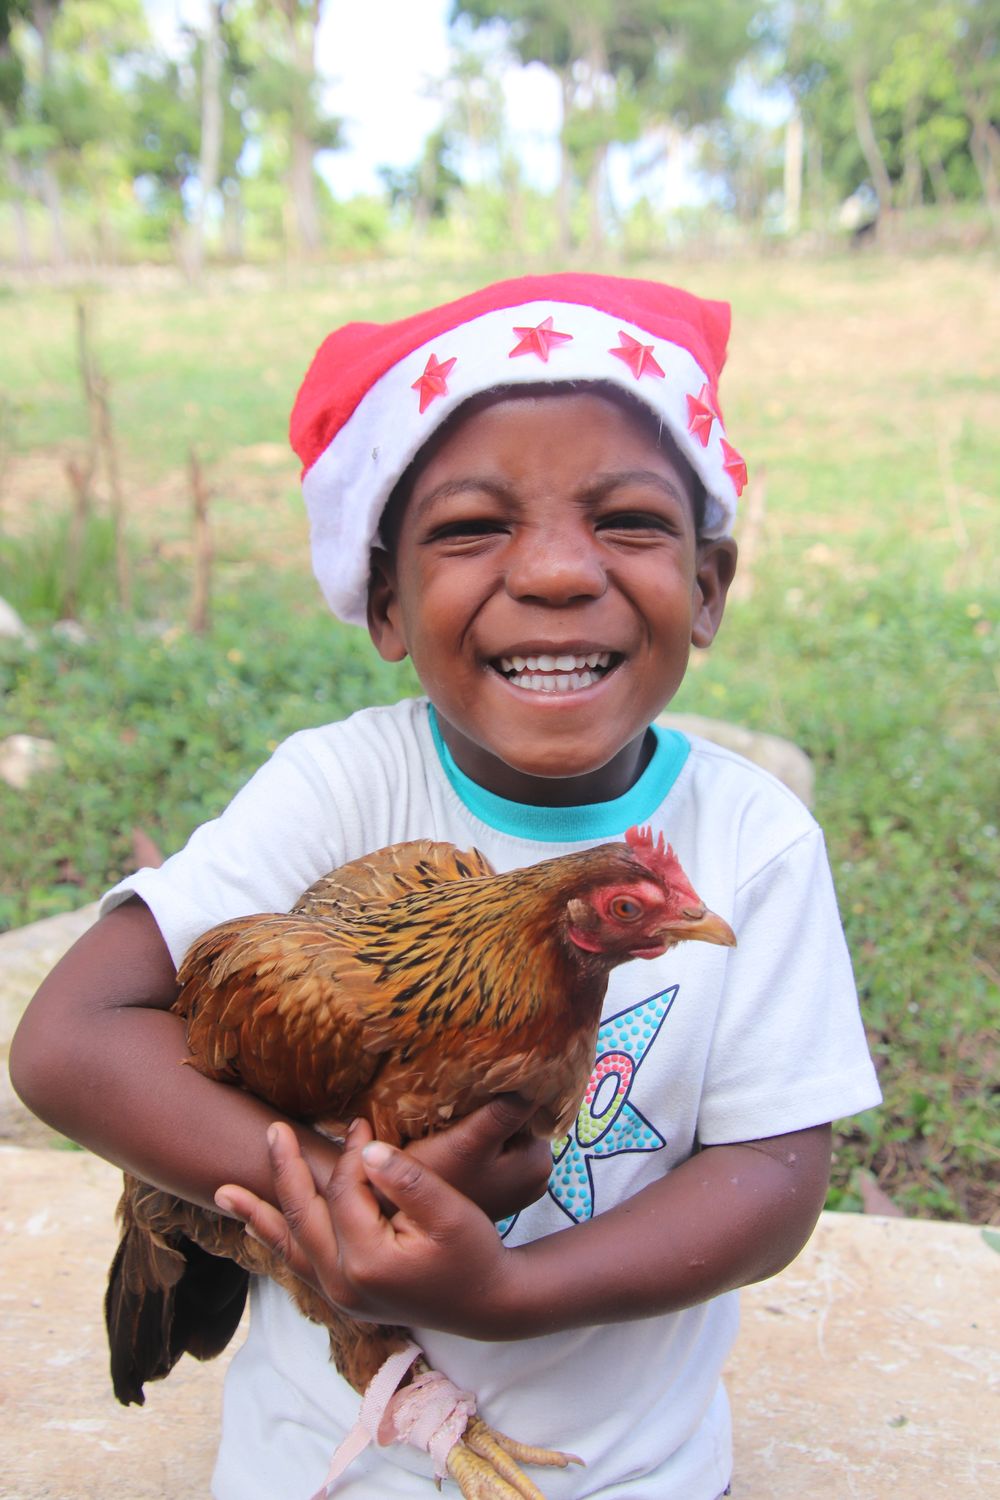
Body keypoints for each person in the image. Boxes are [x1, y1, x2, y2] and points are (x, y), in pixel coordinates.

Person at [10, 272, 882, 1500]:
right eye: (473, 528)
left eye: (627, 520)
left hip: (629, 1474)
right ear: (382, 600)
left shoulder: (758, 839)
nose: (558, 573)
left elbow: (771, 1182)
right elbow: (64, 1043)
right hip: (309, 1470)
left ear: (707, 585)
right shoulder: (338, 787)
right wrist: (343, 1209)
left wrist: (504, 1290)